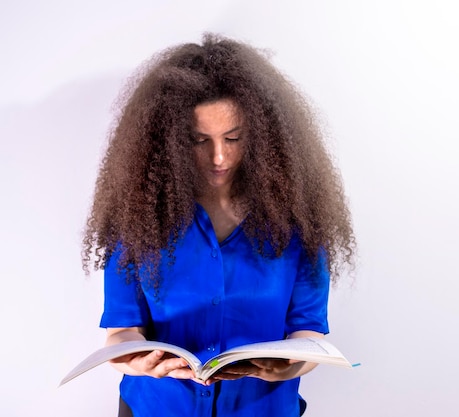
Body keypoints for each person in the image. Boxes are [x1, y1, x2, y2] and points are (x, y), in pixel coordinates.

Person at [81, 32, 356, 417]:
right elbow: (122, 332)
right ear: (170, 141)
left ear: (262, 136)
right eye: (199, 140)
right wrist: (137, 361)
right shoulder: (139, 220)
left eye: (233, 137)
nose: (219, 156)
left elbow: (308, 332)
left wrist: (290, 366)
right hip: (157, 408)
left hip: (263, 408)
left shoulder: (298, 222)